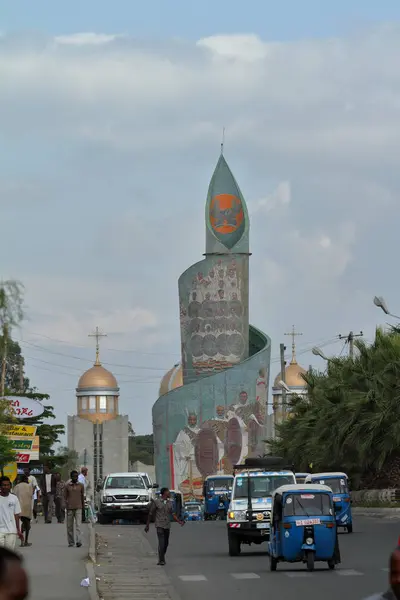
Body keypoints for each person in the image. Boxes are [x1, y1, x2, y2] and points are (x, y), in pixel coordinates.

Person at [144, 487, 184, 566]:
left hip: (167, 525)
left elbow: (173, 514)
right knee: (161, 542)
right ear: (164, 493)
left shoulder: (170, 503)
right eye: (168, 492)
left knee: (166, 543)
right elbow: (151, 513)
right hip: (159, 525)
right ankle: (161, 560)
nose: (169, 493)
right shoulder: (156, 502)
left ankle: (162, 556)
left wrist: (179, 522)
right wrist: (147, 525)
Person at [0, 477, 23, 551]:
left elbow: (16, 515)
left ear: (10, 486)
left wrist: (18, 530)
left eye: (7, 485)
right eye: (3, 485)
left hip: (11, 531)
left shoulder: (14, 498)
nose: (5, 487)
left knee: (8, 554)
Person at [64, 470, 84, 548]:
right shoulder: (67, 485)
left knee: (78, 525)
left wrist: (83, 507)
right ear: (71, 477)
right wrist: (65, 505)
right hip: (70, 508)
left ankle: (79, 541)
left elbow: (82, 496)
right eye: (74, 476)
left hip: (79, 507)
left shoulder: (81, 485)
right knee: (69, 526)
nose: (75, 478)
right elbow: (65, 497)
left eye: (76, 476)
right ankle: (71, 542)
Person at [13, 476, 33, 547]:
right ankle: (25, 541)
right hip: (27, 507)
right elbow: (31, 495)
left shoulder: (16, 486)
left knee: (21, 524)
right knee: (27, 525)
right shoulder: (29, 486)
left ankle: (22, 541)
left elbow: (13, 495)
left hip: (18, 507)